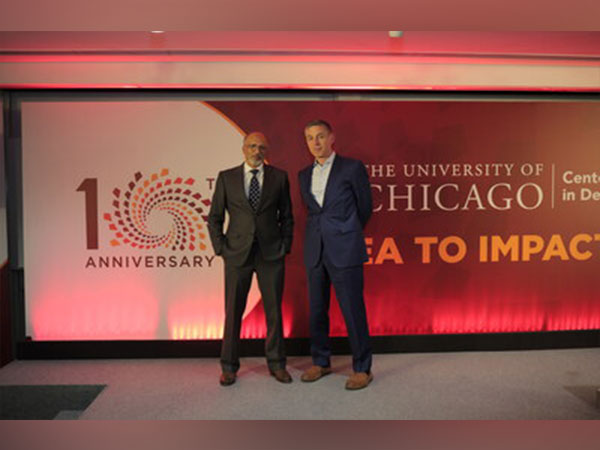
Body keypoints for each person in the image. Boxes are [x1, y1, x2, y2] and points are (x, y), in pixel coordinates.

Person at [208, 131, 294, 386]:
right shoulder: (227, 178)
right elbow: (215, 217)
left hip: (271, 254)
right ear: (243, 148)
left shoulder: (279, 177)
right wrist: (221, 248)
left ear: (267, 151)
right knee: (233, 311)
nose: (257, 151)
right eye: (253, 146)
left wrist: (285, 246)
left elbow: (287, 216)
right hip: (237, 254)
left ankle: (277, 364)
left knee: (274, 312)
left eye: (262, 148)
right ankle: (229, 366)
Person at [298, 119, 374, 390]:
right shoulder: (303, 174)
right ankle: (321, 361)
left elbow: (365, 207)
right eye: (309, 138)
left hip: (345, 250)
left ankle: (362, 368)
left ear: (332, 138)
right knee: (317, 310)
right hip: (315, 251)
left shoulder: (351, 168)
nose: (315, 142)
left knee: (353, 311)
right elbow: (313, 212)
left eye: (320, 136)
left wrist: (346, 233)